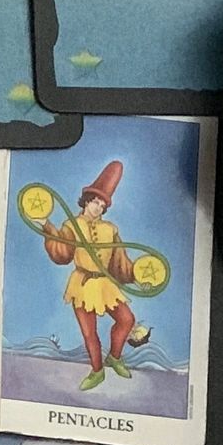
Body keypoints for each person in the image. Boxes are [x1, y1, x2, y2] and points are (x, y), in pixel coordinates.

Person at [43, 160, 149, 390]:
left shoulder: (110, 229)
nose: (99, 208)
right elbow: (62, 252)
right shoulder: (72, 225)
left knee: (127, 320)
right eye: (95, 202)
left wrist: (139, 277)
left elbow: (120, 263)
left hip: (105, 285)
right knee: (89, 332)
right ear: (86, 201)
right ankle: (97, 371)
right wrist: (45, 224)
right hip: (81, 285)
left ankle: (115, 357)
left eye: (103, 205)